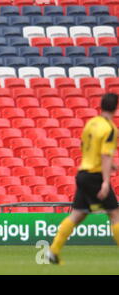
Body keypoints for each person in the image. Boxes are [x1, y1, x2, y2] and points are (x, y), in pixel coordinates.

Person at [47, 93, 119, 264]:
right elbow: (105, 155)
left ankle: (53, 251)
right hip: (95, 175)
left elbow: (87, 148)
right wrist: (106, 182)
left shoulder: (91, 123)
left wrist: (110, 166)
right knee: (115, 214)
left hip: (82, 173)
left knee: (78, 214)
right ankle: (53, 251)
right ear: (116, 108)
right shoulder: (110, 129)